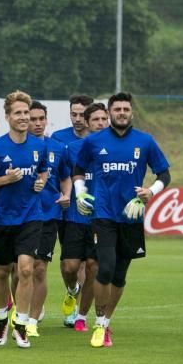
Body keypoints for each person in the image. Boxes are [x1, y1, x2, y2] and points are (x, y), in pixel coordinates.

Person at [72, 92, 171, 348]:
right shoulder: (94, 142)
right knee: (104, 268)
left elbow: (164, 174)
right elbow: (77, 170)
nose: (122, 113)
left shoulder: (145, 141)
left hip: (131, 216)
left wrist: (151, 191)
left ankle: (104, 323)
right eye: (117, 109)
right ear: (110, 112)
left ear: (132, 112)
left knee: (119, 276)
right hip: (103, 215)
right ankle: (98, 322)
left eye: (126, 109)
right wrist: (81, 193)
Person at [0, 91, 48, 349]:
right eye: (18, 113)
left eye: (26, 113)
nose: (24, 117)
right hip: (2, 219)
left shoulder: (40, 145)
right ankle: (2, 319)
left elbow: (44, 171)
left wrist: (41, 182)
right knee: (2, 271)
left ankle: (21, 323)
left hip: (31, 217)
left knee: (26, 269)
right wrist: (5, 180)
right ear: (7, 117)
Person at [62, 102, 109, 330]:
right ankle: (73, 290)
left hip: (101, 220)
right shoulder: (72, 149)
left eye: (104, 119)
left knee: (93, 267)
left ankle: (81, 316)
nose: (100, 123)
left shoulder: (117, 149)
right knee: (70, 267)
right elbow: (62, 177)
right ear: (88, 124)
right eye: (96, 120)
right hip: (74, 217)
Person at [27, 100, 71, 337]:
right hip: (20, 216)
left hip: (48, 215)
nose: (36, 123)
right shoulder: (16, 147)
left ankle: (32, 321)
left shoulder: (58, 148)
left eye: (40, 119)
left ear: (46, 120)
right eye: (32, 119)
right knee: (20, 268)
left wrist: (66, 195)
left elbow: (66, 177)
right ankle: (22, 311)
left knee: (40, 268)